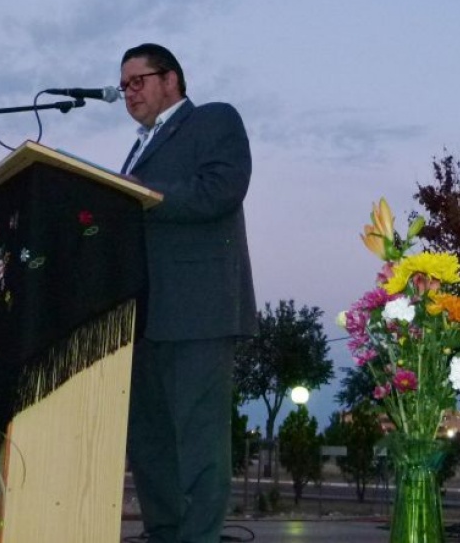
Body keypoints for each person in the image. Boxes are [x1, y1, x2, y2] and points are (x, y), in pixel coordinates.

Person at [117, 42, 258, 543]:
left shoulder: (213, 120)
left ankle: (198, 536)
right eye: (124, 85)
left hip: (199, 309)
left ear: (172, 79)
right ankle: (163, 532)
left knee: (198, 441)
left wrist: (142, 194)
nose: (129, 92)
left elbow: (222, 189)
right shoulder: (139, 146)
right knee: (150, 441)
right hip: (144, 313)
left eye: (139, 80)